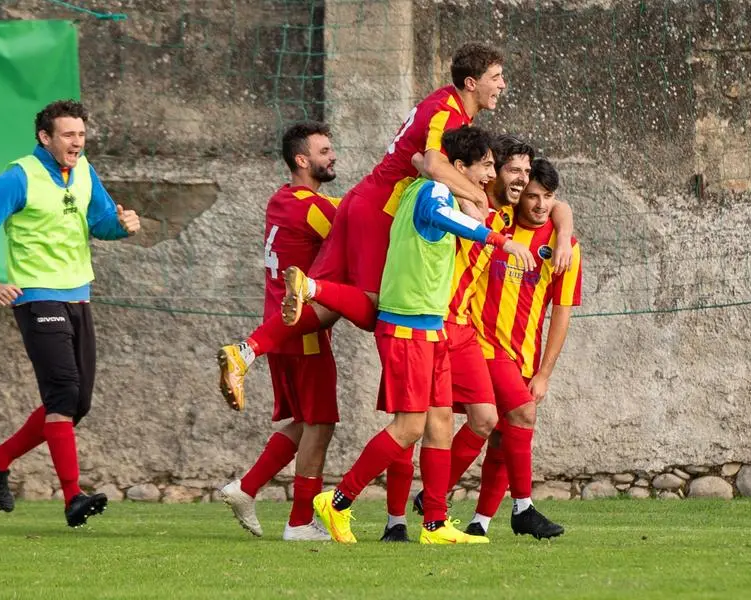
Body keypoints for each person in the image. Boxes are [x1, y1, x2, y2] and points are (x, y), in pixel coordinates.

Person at [217, 42, 542, 408]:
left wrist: (461, 190)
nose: (503, 85)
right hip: (378, 211)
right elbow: (434, 165)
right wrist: (477, 198)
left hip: (361, 203)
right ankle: (310, 286)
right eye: (496, 78)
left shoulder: (444, 107)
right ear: (471, 82)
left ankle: (244, 351)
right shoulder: (447, 111)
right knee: (377, 310)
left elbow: (421, 158)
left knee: (321, 315)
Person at [313, 127, 529, 544]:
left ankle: (434, 524)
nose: (489, 175)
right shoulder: (433, 194)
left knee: (441, 424)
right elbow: (442, 218)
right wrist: (500, 240)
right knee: (410, 427)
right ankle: (336, 501)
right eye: (485, 166)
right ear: (460, 167)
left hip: (429, 326)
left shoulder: (433, 188)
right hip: (407, 324)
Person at [0, 99, 140, 527]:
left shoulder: (84, 171)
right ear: (46, 138)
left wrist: (122, 225)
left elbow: (100, 221)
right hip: (36, 296)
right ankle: (72, 497)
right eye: (68, 135)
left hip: (79, 294)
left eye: (80, 134)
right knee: (62, 394)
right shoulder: (18, 177)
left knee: (77, 404)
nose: (76, 142)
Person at [218, 122, 340, 542]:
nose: (333, 156)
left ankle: (246, 488)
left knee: (306, 422)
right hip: (302, 331)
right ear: (302, 160)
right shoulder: (316, 208)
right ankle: (300, 521)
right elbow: (358, 227)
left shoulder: (282, 200)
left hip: (279, 327)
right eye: (325, 151)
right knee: (320, 424)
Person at [464, 157, 582, 539]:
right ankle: (523, 508)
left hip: (524, 358)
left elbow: (561, 314)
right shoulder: (500, 222)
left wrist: (545, 373)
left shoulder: (565, 247)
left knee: (500, 434)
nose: (540, 205)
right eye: (532, 196)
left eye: (548, 197)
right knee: (522, 415)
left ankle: (478, 523)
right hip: (481, 343)